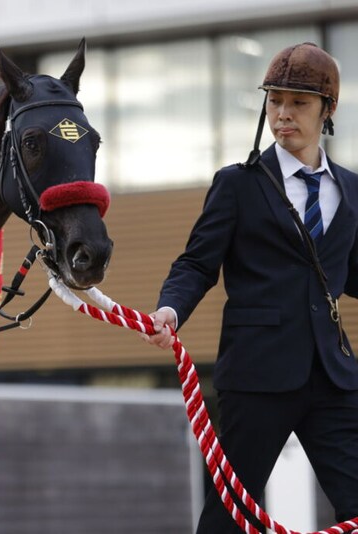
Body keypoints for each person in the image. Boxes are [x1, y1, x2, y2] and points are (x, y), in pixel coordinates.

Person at [144, 42, 358, 532]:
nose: (283, 114)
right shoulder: (237, 184)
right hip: (257, 374)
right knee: (228, 515)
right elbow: (197, 263)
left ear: (328, 110)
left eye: (298, 103)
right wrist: (171, 310)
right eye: (274, 101)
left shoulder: (351, 188)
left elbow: (352, 273)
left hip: (334, 375)